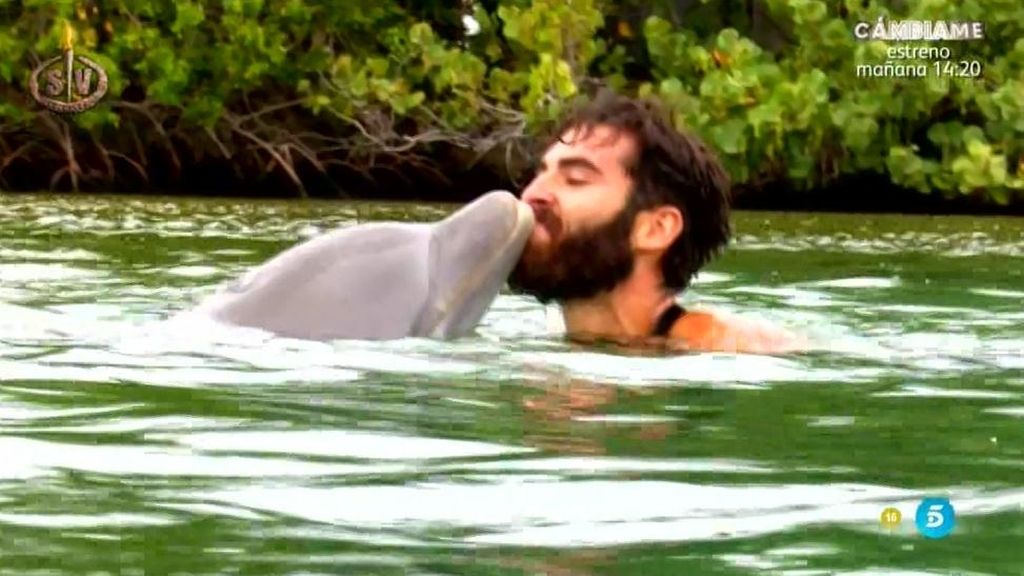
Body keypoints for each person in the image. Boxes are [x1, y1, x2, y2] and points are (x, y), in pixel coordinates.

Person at [507, 90, 803, 354]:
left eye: (575, 180)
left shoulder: (726, 348)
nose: (533, 194)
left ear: (655, 229)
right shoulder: (537, 342)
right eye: (540, 174)